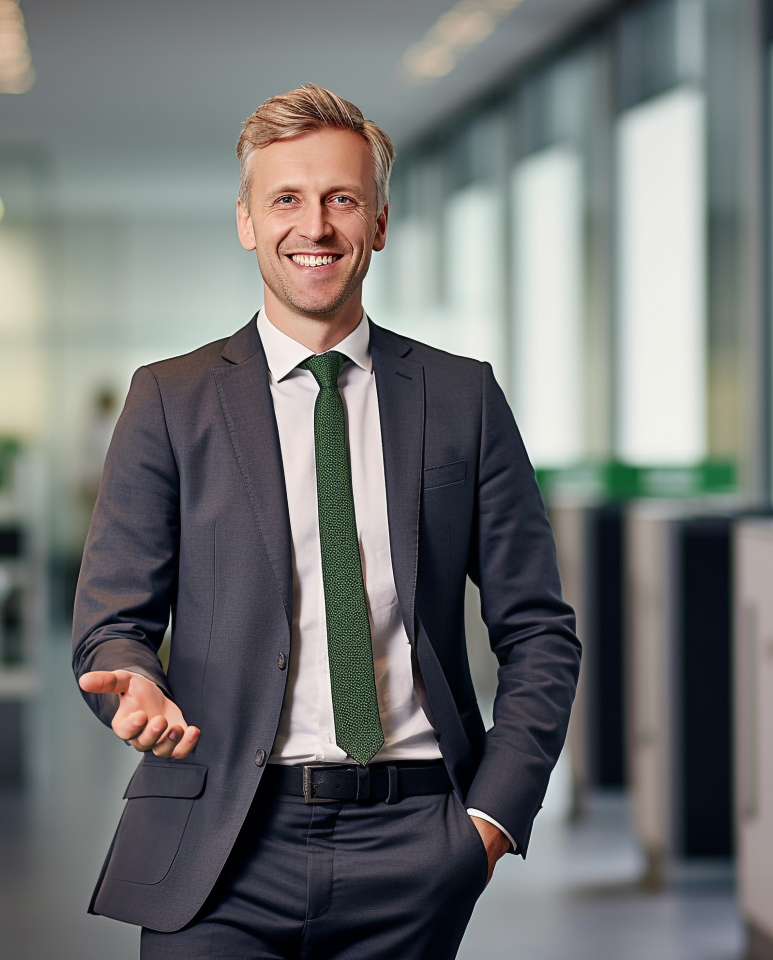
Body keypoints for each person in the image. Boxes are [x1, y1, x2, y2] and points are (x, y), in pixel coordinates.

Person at [73, 84, 580, 960]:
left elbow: (538, 628)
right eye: (287, 200)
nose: (315, 226)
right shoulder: (171, 398)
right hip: (218, 840)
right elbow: (112, 622)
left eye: (342, 199)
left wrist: (492, 818)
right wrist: (130, 678)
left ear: (378, 222)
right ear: (246, 222)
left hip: (416, 834)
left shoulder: (462, 399)